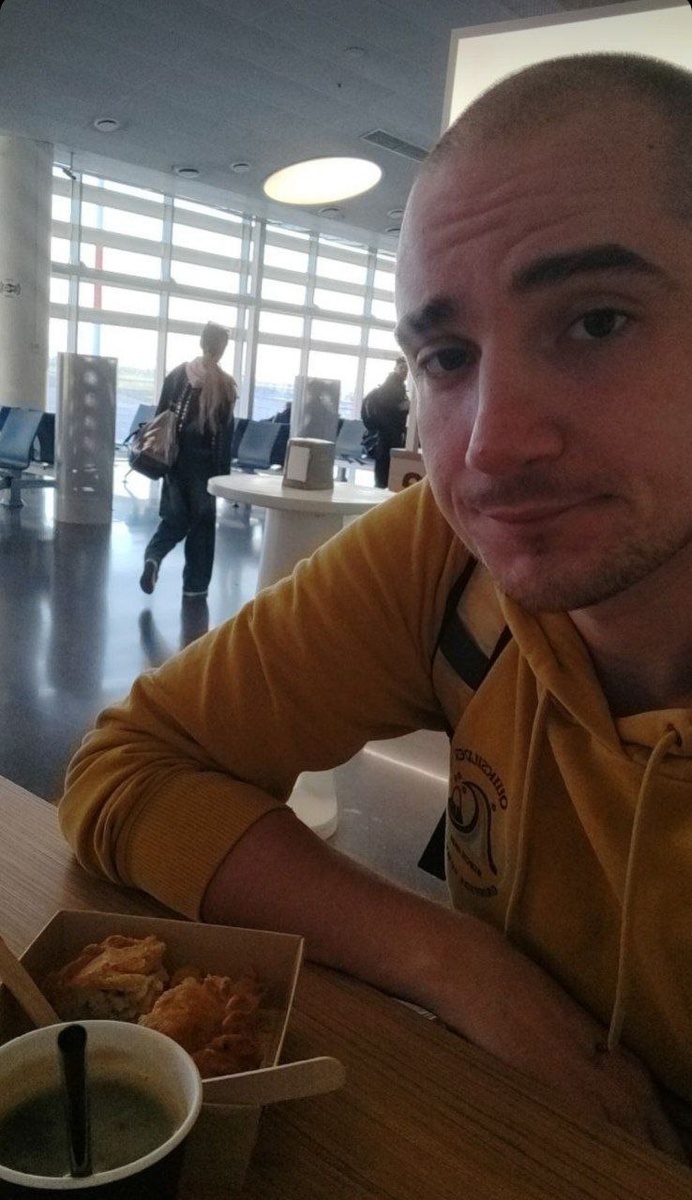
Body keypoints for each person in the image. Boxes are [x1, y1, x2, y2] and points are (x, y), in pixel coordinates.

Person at [60, 53, 692, 1160]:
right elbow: (129, 767)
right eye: (445, 357)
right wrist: (456, 963)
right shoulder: (447, 562)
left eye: (597, 322)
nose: (492, 445)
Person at [139, 322, 237, 599]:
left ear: (201, 342)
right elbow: (224, 437)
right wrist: (223, 477)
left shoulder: (177, 375)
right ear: (222, 349)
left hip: (175, 462)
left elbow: (160, 418)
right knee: (202, 528)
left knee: (174, 519)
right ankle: (195, 587)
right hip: (205, 468)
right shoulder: (225, 385)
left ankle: (154, 557)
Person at [360, 356, 410, 487]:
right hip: (388, 434)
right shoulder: (392, 385)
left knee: (383, 469)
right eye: (402, 367)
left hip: (386, 434)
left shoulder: (396, 385)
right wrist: (402, 407)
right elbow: (387, 406)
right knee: (385, 469)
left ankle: (381, 490)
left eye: (406, 368)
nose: (404, 371)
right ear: (395, 368)